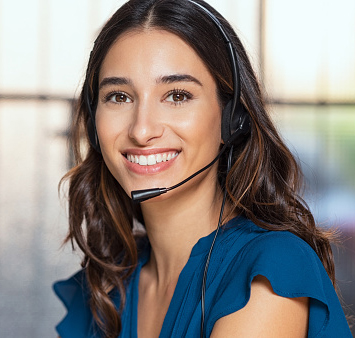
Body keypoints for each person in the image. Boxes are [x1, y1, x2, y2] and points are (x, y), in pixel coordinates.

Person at [53, 0, 352, 337]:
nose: (141, 130)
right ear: (94, 123)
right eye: (119, 96)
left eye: (177, 95)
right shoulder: (107, 285)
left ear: (231, 119)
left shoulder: (269, 272)